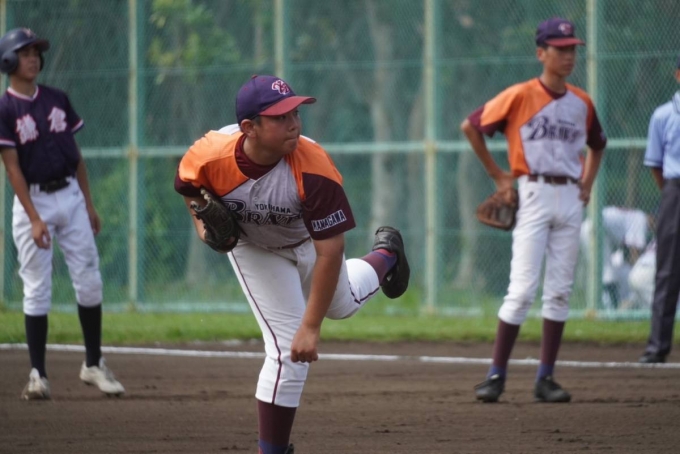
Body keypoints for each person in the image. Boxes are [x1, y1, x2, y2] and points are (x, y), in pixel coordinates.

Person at [174, 74, 410, 454]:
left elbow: (330, 251)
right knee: (287, 350)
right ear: (249, 128)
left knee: (343, 306)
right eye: (280, 117)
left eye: (295, 113)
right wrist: (204, 230)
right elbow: (187, 185)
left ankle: (388, 253)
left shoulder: (314, 167)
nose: (294, 124)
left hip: (309, 243)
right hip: (254, 248)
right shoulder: (210, 155)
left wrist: (311, 327)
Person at [460, 17, 606, 403]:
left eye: (572, 49)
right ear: (541, 53)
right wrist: (498, 175)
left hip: (570, 197)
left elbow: (598, 144)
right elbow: (471, 126)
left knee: (559, 292)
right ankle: (495, 376)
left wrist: (587, 184)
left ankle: (546, 379)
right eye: (561, 49)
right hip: (533, 193)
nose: (569, 55)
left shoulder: (582, 102)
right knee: (522, 290)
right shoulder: (520, 95)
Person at [0, 28, 124, 399]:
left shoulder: (57, 99)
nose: (33, 58)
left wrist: (88, 203)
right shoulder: (5, 109)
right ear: (8, 60)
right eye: (25, 53)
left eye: (36, 52)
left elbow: (76, 157)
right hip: (33, 201)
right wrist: (34, 218)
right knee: (38, 287)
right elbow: (12, 169)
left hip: (70, 196)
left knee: (89, 279)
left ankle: (93, 364)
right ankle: (38, 375)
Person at [638, 55, 680, 364]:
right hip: (675, 192)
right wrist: (670, 192)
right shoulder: (664, 115)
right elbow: (655, 164)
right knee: (667, 270)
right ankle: (657, 347)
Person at [579, 206, 649, 309]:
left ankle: (602, 306)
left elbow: (628, 253)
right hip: (596, 230)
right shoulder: (641, 218)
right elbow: (634, 251)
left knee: (603, 273)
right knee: (607, 273)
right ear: (651, 217)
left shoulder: (633, 215)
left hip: (588, 227)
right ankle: (608, 309)